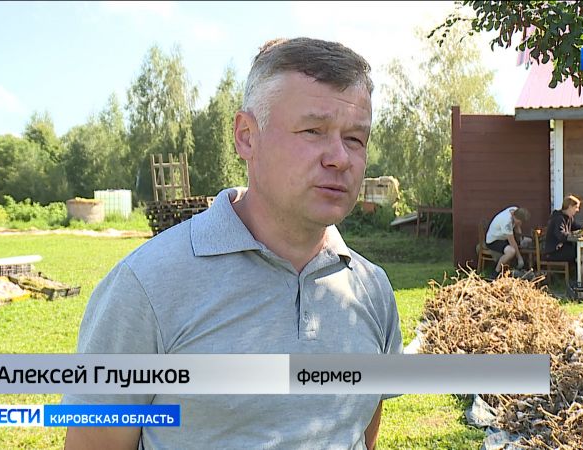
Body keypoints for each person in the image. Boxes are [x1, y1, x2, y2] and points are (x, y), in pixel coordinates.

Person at [63, 37, 402, 450]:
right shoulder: (146, 287)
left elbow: (359, 433)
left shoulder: (372, 289)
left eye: (355, 139)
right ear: (246, 137)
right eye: (313, 131)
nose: (340, 158)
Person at [543, 195, 583, 281]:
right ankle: (579, 283)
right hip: (554, 251)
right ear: (570, 207)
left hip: (563, 248)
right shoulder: (558, 218)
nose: (577, 210)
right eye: (576, 207)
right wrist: (574, 236)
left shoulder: (569, 218)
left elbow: (577, 227)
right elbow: (561, 235)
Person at [485, 206, 531, 276]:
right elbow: (512, 242)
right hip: (493, 240)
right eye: (520, 221)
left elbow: (517, 226)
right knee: (511, 251)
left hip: (503, 237)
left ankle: (517, 269)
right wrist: (519, 258)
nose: (520, 223)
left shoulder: (515, 210)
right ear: (515, 217)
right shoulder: (507, 223)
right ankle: (495, 272)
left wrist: (521, 239)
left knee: (528, 241)